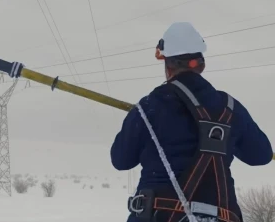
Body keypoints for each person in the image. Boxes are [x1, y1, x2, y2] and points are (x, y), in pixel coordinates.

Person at [110, 22, 273, 222]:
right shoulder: (230, 109)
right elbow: (261, 155)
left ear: (167, 65)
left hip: (157, 215)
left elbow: (120, 160)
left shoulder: (148, 107)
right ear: (201, 64)